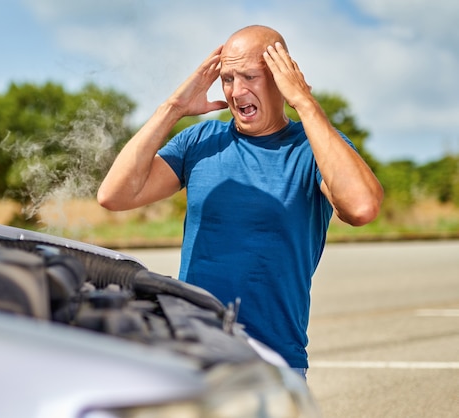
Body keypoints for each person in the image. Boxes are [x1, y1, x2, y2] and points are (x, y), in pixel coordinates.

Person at [97, 25, 383, 376]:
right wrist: (173, 108)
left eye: (250, 76)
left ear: (282, 77)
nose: (236, 91)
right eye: (228, 78)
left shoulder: (313, 148)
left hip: (271, 359)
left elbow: (361, 207)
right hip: (190, 350)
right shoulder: (202, 139)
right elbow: (114, 194)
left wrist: (305, 103)